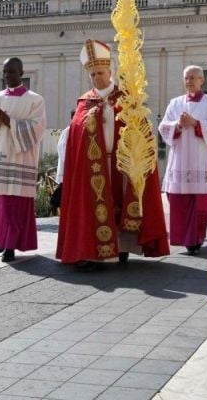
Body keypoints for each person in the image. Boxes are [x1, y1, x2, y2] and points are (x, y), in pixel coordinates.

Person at [55, 40, 169, 268]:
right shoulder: (84, 103)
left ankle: (124, 247)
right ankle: (91, 252)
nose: (97, 77)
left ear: (110, 72)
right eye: (93, 74)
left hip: (123, 163)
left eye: (101, 72)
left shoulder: (127, 99)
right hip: (93, 166)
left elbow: (143, 129)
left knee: (121, 202)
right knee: (95, 206)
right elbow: (76, 137)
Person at [0, 57, 46, 262]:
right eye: (5, 72)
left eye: (12, 72)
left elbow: (38, 128)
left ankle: (10, 246)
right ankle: (1, 239)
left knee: (12, 205)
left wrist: (11, 122)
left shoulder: (35, 100)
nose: (8, 76)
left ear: (21, 73)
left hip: (19, 158)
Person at [159, 65, 207, 255]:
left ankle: (196, 239)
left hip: (202, 159)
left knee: (200, 201)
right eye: (186, 78)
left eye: (193, 78)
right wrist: (177, 125)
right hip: (180, 158)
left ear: (202, 80)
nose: (189, 81)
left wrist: (196, 124)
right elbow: (163, 127)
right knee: (177, 198)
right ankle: (182, 237)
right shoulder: (175, 103)